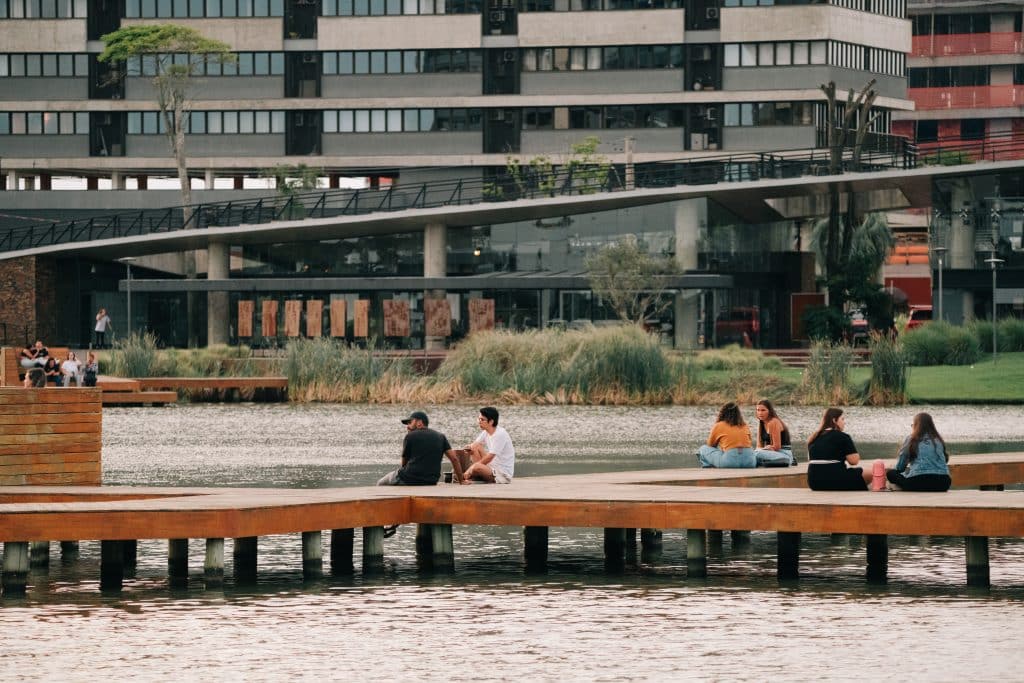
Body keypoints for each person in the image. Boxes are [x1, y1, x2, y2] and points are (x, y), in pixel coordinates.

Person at [378, 410, 467, 487]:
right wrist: (461, 481)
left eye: (410, 422)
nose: (407, 426)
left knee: (380, 483)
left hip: (409, 478)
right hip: (431, 480)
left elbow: (404, 463)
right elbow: (454, 459)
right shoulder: (441, 436)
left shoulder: (410, 436)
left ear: (419, 423)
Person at [806, 408, 875, 491]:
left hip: (814, 482)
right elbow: (854, 461)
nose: (844, 422)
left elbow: (811, 459)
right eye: (842, 419)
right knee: (872, 473)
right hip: (835, 480)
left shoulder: (813, 437)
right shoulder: (842, 436)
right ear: (834, 420)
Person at [885, 412, 952, 492]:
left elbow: (900, 466)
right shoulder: (938, 439)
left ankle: (899, 487)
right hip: (943, 483)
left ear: (916, 426)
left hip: (918, 482)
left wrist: (899, 471)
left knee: (891, 473)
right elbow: (945, 460)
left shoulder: (911, 439)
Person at [462, 406, 516, 484]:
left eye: (482, 420)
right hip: (491, 467)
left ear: (491, 422)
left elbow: (490, 457)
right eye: (479, 419)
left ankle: (472, 474)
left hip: (502, 474)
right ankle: (475, 474)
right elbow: (475, 445)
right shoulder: (486, 432)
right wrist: (469, 449)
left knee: (476, 467)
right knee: (474, 446)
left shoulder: (500, 434)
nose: (479, 422)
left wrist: (470, 469)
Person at [698, 401, 755, 468]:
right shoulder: (744, 425)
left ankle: (708, 467)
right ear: (738, 414)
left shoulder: (719, 425)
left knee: (703, 449)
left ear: (723, 413)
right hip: (750, 461)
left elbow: (710, 445)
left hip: (729, 461)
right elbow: (749, 444)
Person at [753, 399, 796, 467]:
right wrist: (764, 449)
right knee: (752, 454)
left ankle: (790, 460)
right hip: (771, 453)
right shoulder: (761, 423)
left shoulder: (774, 422)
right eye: (758, 410)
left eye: (763, 410)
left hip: (783, 454)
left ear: (769, 411)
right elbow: (759, 446)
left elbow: (777, 447)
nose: (760, 413)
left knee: (755, 454)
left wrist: (765, 449)